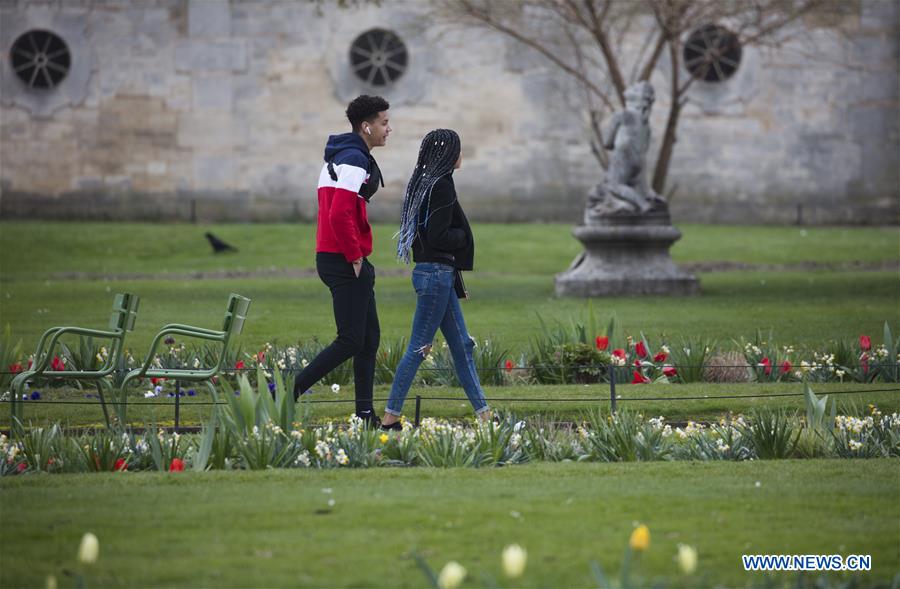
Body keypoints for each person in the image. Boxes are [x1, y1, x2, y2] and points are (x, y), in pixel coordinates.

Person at [291, 95, 391, 427]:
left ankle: (365, 415)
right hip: (344, 259)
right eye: (383, 122)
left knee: (369, 339)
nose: (388, 129)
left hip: (343, 257)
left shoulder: (349, 154)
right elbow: (338, 213)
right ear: (367, 126)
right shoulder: (352, 158)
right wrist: (355, 256)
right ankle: (287, 394)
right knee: (351, 339)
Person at [382, 129, 490, 430]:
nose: (461, 155)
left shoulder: (425, 183)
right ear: (448, 154)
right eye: (458, 149)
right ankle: (390, 419)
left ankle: (485, 415)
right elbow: (438, 235)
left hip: (435, 274)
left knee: (462, 346)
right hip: (436, 276)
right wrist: (464, 237)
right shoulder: (441, 187)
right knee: (419, 347)